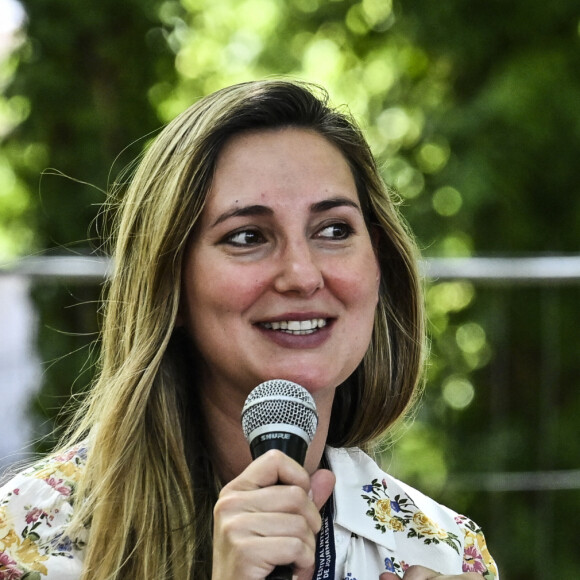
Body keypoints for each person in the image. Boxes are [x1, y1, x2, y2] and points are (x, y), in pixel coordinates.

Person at [0, 79, 499, 580]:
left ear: (379, 267)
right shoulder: (28, 537)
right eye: (247, 236)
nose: (302, 276)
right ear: (169, 285)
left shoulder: (444, 551)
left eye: (334, 230)